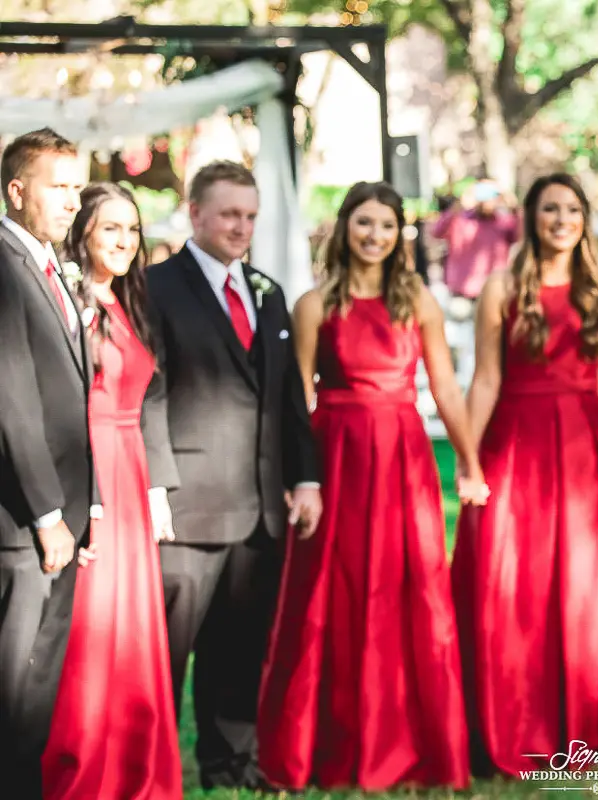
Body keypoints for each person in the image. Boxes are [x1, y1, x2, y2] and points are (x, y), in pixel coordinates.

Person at [258, 182, 487, 791]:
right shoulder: (314, 304)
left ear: (399, 235)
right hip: (336, 455)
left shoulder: (417, 301)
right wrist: (298, 475)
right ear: (344, 227)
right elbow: (296, 400)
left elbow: (445, 387)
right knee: (330, 590)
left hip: (403, 458)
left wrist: (469, 462)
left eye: (386, 225)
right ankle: (321, 745)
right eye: (364, 223)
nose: (374, 236)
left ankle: (411, 743)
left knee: (410, 587)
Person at [452, 173, 598, 778]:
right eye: (550, 209)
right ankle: (509, 725)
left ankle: (590, 727)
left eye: (572, 209)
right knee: (513, 581)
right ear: (530, 216)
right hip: (514, 445)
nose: (561, 219)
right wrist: (468, 460)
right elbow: (486, 379)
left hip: (584, 446)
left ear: (584, 218)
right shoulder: (501, 288)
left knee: (585, 585)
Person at [145, 160, 322, 790]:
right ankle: (153, 767)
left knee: (241, 647)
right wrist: (156, 484)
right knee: (168, 653)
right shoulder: (154, 288)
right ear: (195, 213)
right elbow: (147, 395)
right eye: (229, 215)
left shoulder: (267, 291)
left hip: (260, 506)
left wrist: (306, 478)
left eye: (250, 216)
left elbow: (288, 396)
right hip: (187, 507)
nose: (242, 227)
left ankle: (231, 763)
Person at [41, 182, 182, 799]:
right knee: (90, 629)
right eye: (110, 228)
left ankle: (134, 769)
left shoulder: (132, 302)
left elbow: (152, 399)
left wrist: (158, 491)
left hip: (132, 474)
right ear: (82, 235)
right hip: (89, 471)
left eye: (132, 229)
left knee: (132, 631)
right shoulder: (66, 303)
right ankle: (80, 773)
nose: (125, 241)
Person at [0, 127, 94, 797]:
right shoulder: (4, 265)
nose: (71, 202)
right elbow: (12, 398)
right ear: (16, 190)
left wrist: (85, 505)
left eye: (76, 188)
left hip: (62, 516)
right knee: (11, 692)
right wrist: (46, 514)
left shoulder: (48, 263)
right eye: (57, 187)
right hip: (21, 523)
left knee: (36, 694)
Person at [430, 179, 521, 300]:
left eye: (492, 196)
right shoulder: (461, 219)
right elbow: (437, 231)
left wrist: (513, 204)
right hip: (462, 292)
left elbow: (521, 236)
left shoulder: (504, 223)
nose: (487, 201)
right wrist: (457, 205)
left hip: (494, 292)